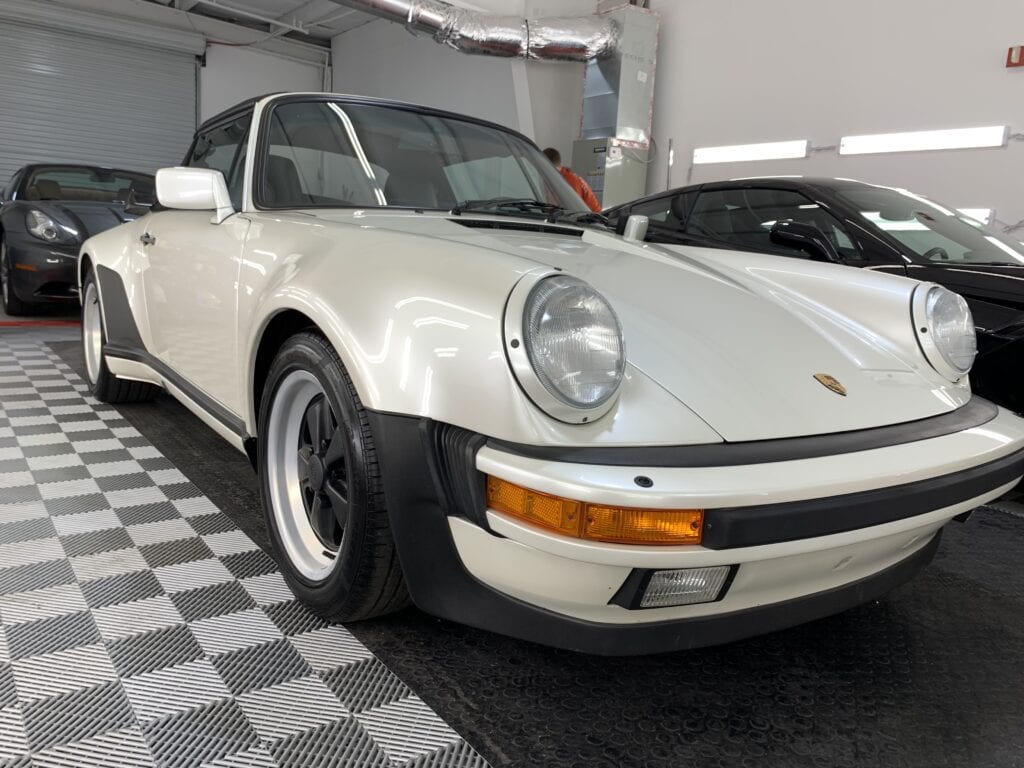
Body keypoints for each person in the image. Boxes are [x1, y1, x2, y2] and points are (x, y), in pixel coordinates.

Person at [542, 147, 602, 212]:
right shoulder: (560, 176)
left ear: (546, 164)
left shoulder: (569, 181)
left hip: (592, 218)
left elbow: (574, 209)